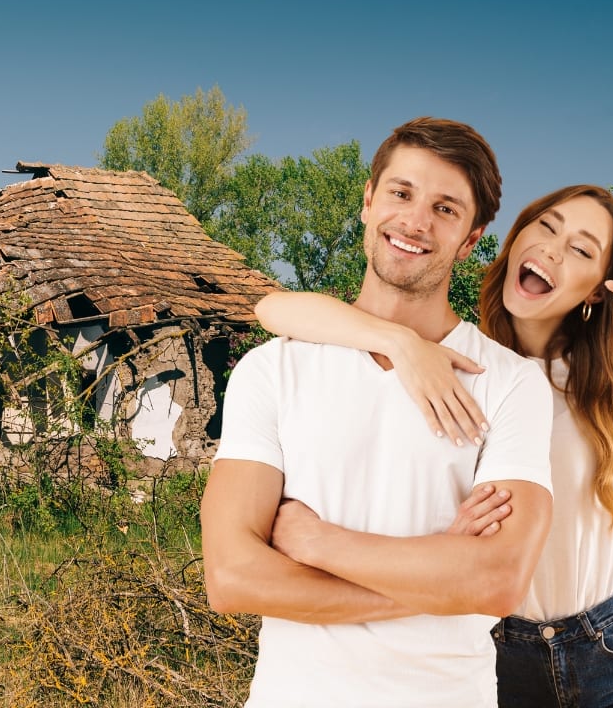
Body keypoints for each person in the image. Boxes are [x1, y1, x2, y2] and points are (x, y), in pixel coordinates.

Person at [253, 183, 613, 707]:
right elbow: (275, 310)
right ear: (516, 239)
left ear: (597, 289)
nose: (552, 248)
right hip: (493, 644)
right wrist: (400, 342)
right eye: (546, 227)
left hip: (611, 648)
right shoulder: (462, 362)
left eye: (580, 249)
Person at [200, 116, 555, 708]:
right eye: (401, 193)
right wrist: (438, 580)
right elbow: (233, 578)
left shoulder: (511, 384)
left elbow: (495, 580)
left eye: (446, 209)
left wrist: (314, 542)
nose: (415, 221)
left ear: (470, 239)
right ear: (368, 201)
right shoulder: (272, 369)